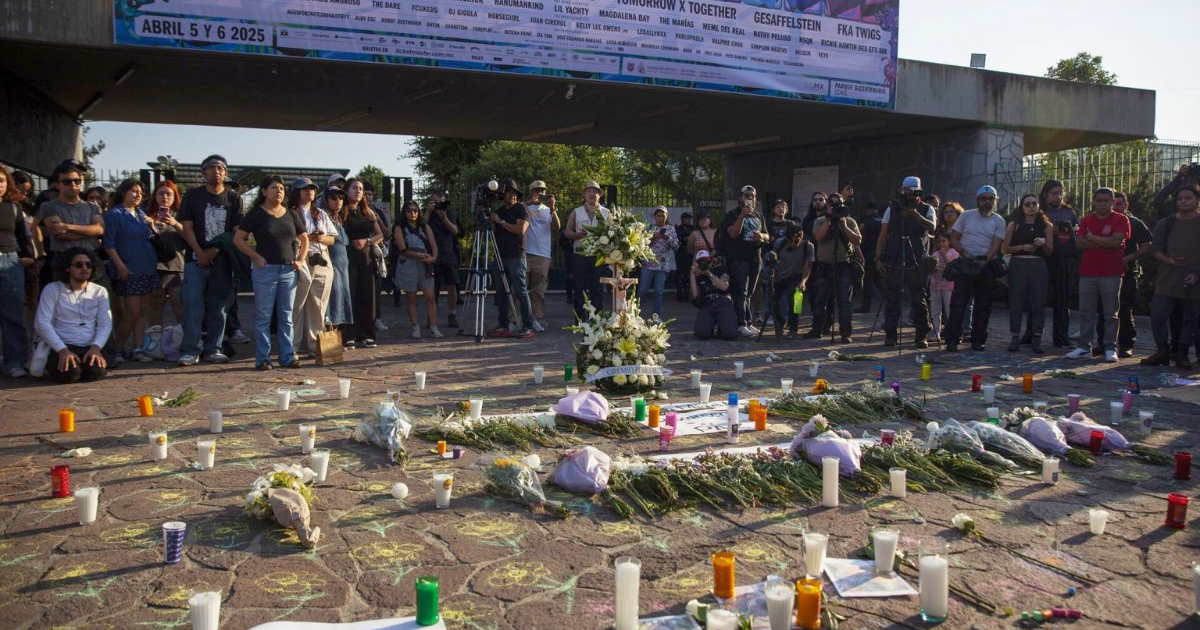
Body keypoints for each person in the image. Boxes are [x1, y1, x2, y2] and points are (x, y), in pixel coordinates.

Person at [233, 175, 308, 370]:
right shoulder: (256, 214)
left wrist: (300, 259)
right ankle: (263, 359)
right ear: (264, 192)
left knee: (286, 316)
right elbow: (238, 239)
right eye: (274, 188)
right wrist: (255, 256)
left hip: (288, 270)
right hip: (265, 271)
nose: (279, 191)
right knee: (263, 316)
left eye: (282, 188)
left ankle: (287, 357)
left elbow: (304, 238)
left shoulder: (291, 214)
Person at [177, 154, 242, 366]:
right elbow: (186, 227)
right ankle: (190, 350)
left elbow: (236, 230)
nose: (216, 171)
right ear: (204, 172)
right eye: (211, 168)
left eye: (220, 168)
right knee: (193, 305)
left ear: (226, 173)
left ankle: (214, 348)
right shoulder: (192, 196)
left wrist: (214, 250)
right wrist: (200, 252)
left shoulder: (233, 198)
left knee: (219, 306)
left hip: (222, 259)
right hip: (195, 258)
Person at [1064, 188, 1129, 363]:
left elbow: (1116, 241)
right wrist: (1103, 242)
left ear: (1112, 202)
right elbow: (1080, 243)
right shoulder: (1087, 219)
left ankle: (1110, 348)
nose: (1102, 204)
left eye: (1106, 200)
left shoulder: (1121, 219)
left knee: (1110, 313)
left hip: (1111, 273)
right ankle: (1084, 347)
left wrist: (1092, 237)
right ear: (1094, 201)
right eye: (1099, 200)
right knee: (1086, 311)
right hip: (1088, 272)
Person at [1143, 183, 1200, 368]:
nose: (1183, 201)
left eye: (1188, 198)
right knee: (1158, 316)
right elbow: (1155, 249)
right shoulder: (1166, 223)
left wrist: (1196, 273)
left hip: (1193, 280)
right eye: (1180, 198)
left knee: (1189, 320)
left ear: (1197, 200)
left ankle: (1182, 354)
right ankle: (1162, 351)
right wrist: (1167, 260)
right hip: (1168, 278)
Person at [875, 176, 936, 348]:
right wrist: (878, 257)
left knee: (919, 298)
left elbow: (932, 228)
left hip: (917, 259)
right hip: (895, 257)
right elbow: (883, 233)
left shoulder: (926, 208)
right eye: (906, 190)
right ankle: (891, 334)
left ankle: (921, 335)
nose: (908, 195)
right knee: (892, 297)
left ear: (918, 192)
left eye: (912, 191)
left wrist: (916, 216)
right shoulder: (892, 208)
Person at [944, 185, 1006, 352]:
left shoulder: (999, 220)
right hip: (965, 262)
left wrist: (985, 261)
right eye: (983, 198)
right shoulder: (966, 216)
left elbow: (996, 244)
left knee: (983, 305)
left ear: (995, 201)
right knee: (958, 304)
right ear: (978, 200)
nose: (987, 202)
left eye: (990, 199)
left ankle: (978, 340)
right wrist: (963, 253)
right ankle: (952, 339)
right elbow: (954, 237)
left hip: (985, 265)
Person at [102, 178, 159, 362]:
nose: (137, 195)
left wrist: (152, 225)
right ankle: (116, 349)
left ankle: (137, 348)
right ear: (123, 192)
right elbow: (109, 244)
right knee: (131, 313)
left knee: (143, 312)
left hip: (147, 267)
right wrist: (120, 265)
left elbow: (151, 238)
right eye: (133, 191)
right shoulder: (114, 215)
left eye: (140, 193)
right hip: (129, 268)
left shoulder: (141, 214)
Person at [35, 247, 111, 383]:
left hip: (90, 346)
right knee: (69, 375)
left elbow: (105, 323)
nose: (84, 268)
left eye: (88, 265)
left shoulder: (100, 291)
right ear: (67, 268)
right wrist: (62, 350)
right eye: (78, 265)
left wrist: (96, 348)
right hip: (62, 345)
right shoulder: (52, 289)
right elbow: (41, 323)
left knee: (95, 372)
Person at [1098, 191, 1152, 358]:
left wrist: (1128, 258)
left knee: (1125, 309)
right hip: (1104, 271)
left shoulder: (1135, 222)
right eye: (1113, 204)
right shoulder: (1101, 221)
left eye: (1119, 204)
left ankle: (1126, 344)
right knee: (1104, 309)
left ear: (1126, 205)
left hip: (1127, 272)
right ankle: (1103, 343)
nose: (1115, 207)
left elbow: (1147, 245)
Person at [289, 178, 337, 356]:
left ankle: (314, 345)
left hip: (321, 257)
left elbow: (332, 238)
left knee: (318, 304)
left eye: (312, 188)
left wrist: (319, 238)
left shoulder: (321, 213)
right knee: (297, 303)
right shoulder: (290, 212)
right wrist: (307, 237)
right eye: (304, 188)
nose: (309, 191)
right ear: (296, 191)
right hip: (299, 257)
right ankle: (291, 346)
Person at [1002, 194, 1054, 353]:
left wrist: (1044, 243)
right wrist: (1023, 247)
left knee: (1038, 301)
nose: (1031, 207)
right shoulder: (1014, 224)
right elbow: (1004, 249)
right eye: (1027, 204)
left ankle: (1037, 337)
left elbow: (1050, 252)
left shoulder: (1047, 226)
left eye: (1034, 203)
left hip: (1038, 264)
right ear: (1022, 207)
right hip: (1018, 263)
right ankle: (1015, 336)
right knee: (1016, 300)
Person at [807, 193, 860, 342]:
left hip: (843, 266)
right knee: (820, 300)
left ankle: (845, 333)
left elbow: (857, 240)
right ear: (827, 206)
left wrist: (843, 225)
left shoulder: (849, 221)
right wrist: (829, 220)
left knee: (844, 301)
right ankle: (817, 329)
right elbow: (818, 237)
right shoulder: (820, 221)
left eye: (839, 205)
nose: (835, 208)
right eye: (832, 205)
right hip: (824, 267)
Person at [489, 179, 535, 339]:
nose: (512, 195)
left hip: (516, 256)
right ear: (504, 194)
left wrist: (500, 222)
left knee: (520, 291)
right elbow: (495, 232)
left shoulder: (522, 209)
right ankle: (504, 324)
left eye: (514, 193)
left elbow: (520, 229)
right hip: (500, 256)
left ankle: (528, 326)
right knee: (501, 292)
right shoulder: (499, 211)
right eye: (509, 192)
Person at [720, 185, 769, 336]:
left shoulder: (759, 216)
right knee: (740, 292)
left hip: (755, 258)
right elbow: (733, 234)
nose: (749, 198)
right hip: (738, 259)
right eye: (746, 195)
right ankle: (740, 324)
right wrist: (742, 215)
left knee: (749, 293)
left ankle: (747, 321)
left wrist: (761, 236)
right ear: (740, 198)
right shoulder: (732, 215)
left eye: (752, 195)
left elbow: (768, 236)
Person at [0, 165, 34, 377]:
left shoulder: (12, 207)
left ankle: (15, 362)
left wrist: (29, 256)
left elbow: (24, 235)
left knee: (13, 314)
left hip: (9, 262)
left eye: (2, 181)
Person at [342, 178, 384, 348]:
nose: (358, 191)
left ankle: (367, 334)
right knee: (350, 295)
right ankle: (349, 334)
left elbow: (380, 234)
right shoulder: (340, 210)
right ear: (346, 190)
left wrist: (366, 241)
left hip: (366, 257)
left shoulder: (368, 211)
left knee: (367, 296)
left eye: (360, 188)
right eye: (354, 188)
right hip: (347, 257)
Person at [393, 201, 442, 338]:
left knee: (430, 296)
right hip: (408, 263)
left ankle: (433, 326)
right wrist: (419, 255)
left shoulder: (424, 226)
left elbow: (434, 245)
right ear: (404, 212)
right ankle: (415, 327)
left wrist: (433, 258)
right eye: (409, 211)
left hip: (425, 264)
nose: (413, 213)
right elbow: (402, 249)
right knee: (411, 297)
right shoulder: (399, 227)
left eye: (415, 210)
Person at [1040, 180, 1078, 348]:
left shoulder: (1068, 212)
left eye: (1060, 193)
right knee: (1038, 298)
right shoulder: (1040, 211)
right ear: (1046, 194)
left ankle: (1061, 336)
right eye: (1054, 193)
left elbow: (1076, 231)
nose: (1058, 196)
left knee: (1062, 299)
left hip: (1064, 259)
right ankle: (1032, 334)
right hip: (1043, 258)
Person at [564, 180, 610, 319]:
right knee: (579, 289)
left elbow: (613, 233)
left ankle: (597, 319)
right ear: (584, 194)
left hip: (598, 257)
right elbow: (567, 232)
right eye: (589, 191)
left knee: (597, 289)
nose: (592, 194)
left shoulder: (606, 212)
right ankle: (580, 319)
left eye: (595, 191)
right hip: (580, 255)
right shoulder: (576, 212)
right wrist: (577, 235)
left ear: (599, 195)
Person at [147, 180, 186, 328]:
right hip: (154, 266)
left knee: (179, 304)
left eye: (169, 194)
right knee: (155, 303)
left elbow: (190, 235)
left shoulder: (181, 214)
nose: (165, 197)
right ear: (155, 196)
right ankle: (155, 340)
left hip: (176, 265)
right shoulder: (147, 214)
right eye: (161, 193)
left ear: (175, 196)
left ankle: (183, 340)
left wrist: (174, 223)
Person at [524, 180, 559, 332]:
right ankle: (517, 318)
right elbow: (516, 213)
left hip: (543, 254)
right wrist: (528, 202)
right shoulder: (524, 207)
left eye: (542, 191)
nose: (540, 193)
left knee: (539, 289)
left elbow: (557, 227)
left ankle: (536, 318)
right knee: (520, 288)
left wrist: (553, 208)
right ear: (531, 192)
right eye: (537, 190)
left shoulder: (548, 210)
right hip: (525, 252)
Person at [424, 190, 460, 328]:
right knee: (433, 287)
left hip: (448, 253)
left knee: (452, 285)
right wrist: (428, 211)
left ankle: (452, 313)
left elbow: (455, 231)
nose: (438, 205)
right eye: (435, 202)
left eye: (441, 202)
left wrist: (444, 217)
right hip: (433, 254)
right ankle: (431, 316)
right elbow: (421, 226)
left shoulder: (448, 213)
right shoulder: (427, 212)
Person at [771, 223, 813, 339]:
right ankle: (780, 321)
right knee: (774, 300)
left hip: (797, 276)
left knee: (796, 298)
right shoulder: (780, 243)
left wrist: (803, 282)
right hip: (780, 276)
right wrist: (773, 276)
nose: (794, 244)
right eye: (792, 241)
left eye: (797, 241)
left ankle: (793, 327)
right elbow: (774, 261)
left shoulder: (807, 246)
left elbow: (808, 266)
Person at [637, 206, 679, 320]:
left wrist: (667, 238)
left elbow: (676, 246)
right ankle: (634, 313)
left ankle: (657, 317)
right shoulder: (649, 228)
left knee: (658, 292)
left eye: (663, 216)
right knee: (642, 290)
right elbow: (641, 245)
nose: (660, 218)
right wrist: (653, 237)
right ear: (655, 217)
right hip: (648, 264)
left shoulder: (671, 229)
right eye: (658, 216)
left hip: (663, 265)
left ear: (666, 217)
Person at [324, 187, 354, 336]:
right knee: (331, 302)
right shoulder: (323, 216)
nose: (338, 201)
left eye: (341, 198)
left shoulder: (339, 217)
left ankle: (335, 337)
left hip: (343, 268)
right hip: (331, 265)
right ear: (327, 199)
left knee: (340, 300)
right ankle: (327, 338)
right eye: (334, 198)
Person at [690, 250, 737, 340]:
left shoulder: (722, 269)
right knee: (701, 334)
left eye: (706, 260)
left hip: (723, 301)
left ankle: (722, 326)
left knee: (730, 335)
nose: (704, 263)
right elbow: (695, 295)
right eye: (701, 261)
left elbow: (724, 287)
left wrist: (709, 274)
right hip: (707, 303)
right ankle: (710, 325)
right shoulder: (698, 274)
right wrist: (692, 274)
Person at [928, 233, 957, 342]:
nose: (941, 244)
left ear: (949, 241)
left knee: (949, 309)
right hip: (935, 285)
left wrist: (944, 255)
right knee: (935, 310)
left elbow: (952, 266)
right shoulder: (935, 253)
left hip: (948, 286)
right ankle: (936, 332)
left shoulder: (954, 253)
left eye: (943, 241)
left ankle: (952, 332)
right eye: (939, 242)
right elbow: (931, 269)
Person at [856, 202, 882, 313]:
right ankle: (891, 296)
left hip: (868, 253)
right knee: (877, 278)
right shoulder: (882, 221)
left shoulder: (866, 222)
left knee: (868, 280)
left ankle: (866, 305)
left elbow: (862, 239)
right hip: (880, 252)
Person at [674, 211, 694, 301]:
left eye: (689, 218)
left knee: (689, 275)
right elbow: (677, 241)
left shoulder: (693, 229)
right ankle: (680, 294)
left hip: (690, 254)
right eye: (686, 218)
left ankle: (687, 294)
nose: (688, 220)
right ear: (682, 219)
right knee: (680, 275)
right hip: (680, 254)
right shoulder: (678, 229)